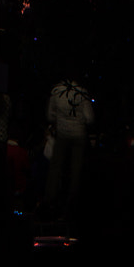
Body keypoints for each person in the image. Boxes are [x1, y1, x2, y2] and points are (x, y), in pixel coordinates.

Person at [43, 75, 94, 225]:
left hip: (62, 134)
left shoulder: (56, 91)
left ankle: (49, 202)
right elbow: (90, 118)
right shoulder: (82, 92)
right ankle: (72, 205)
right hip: (79, 135)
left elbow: (50, 115)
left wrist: (61, 119)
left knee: (55, 168)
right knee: (76, 171)